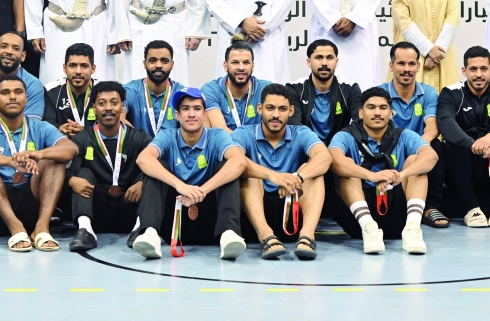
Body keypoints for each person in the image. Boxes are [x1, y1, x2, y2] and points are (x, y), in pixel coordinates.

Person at [0, 76, 77, 252]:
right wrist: (9, 161)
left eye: (18, 92)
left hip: (30, 207)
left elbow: (71, 148)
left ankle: (42, 228)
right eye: (5, 93)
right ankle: (15, 227)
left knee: (54, 161)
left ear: (26, 98)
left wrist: (39, 154)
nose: (13, 97)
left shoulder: (40, 127)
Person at [131, 87, 248, 260]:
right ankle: (150, 234)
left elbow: (239, 162)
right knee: (156, 167)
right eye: (185, 109)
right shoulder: (167, 135)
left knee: (227, 167)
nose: (191, 114)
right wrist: (181, 186)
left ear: (205, 115)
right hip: (174, 220)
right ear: (177, 116)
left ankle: (228, 235)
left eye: (197, 108)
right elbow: (143, 159)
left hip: (211, 219)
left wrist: (203, 191)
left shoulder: (217, 135)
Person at [329, 87, 436, 255]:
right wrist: (371, 175)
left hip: (397, 214)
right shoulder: (346, 135)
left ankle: (413, 229)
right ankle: (369, 228)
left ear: (391, 113)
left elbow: (431, 156)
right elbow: (333, 159)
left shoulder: (404, 134)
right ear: (361, 113)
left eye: (383, 108)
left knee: (415, 161)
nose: (377, 112)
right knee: (345, 165)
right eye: (371, 107)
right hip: (359, 221)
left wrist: (401, 175)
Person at [232, 84, 331, 260]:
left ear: (291, 111)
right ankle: (266, 236)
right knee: (246, 171)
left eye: (282, 109)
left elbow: (325, 157)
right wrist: (273, 176)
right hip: (254, 217)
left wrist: (296, 178)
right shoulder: (244, 133)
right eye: (270, 108)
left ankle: (307, 237)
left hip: (292, 214)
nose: (276, 115)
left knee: (314, 173)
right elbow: (233, 160)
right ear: (260, 109)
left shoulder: (301, 132)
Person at [437, 46, 490, 228]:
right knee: (449, 145)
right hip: (464, 166)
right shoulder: (450, 93)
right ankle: (471, 208)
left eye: (484, 69)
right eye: (473, 69)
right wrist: (473, 144)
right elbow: (445, 123)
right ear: (464, 71)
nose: (478, 74)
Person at [65, 81, 153, 252]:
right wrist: (70, 180)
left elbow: (160, 165)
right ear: (94, 108)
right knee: (82, 173)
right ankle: (85, 230)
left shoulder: (139, 138)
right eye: (102, 103)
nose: (108, 108)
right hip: (96, 211)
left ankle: (140, 229)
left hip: (129, 206)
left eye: (114, 102)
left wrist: (143, 182)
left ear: (122, 107)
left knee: (152, 174)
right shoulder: (82, 138)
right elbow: (66, 171)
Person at [380, 42, 448, 229]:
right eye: (401, 64)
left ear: (419, 66)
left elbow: (432, 128)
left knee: (436, 147)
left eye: (412, 64)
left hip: (417, 151)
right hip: (388, 151)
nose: (407, 69)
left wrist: (417, 147)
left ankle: (430, 207)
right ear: (391, 66)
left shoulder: (429, 93)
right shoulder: (379, 93)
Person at [286, 40, 361, 145]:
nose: (324, 63)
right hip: (305, 148)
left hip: (340, 148)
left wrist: (338, 143)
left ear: (336, 62)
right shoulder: (294, 88)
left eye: (329, 58)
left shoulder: (350, 88)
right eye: (319, 57)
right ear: (308, 62)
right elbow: (293, 122)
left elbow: (359, 121)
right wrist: (316, 147)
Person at [202, 42, 272, 133]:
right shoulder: (211, 89)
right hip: (224, 145)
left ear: (252, 66)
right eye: (235, 62)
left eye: (246, 63)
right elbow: (219, 128)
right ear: (225, 66)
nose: (241, 67)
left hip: (258, 145)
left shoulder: (266, 89)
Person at [122, 40, 186, 136]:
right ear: (144, 64)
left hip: (171, 149)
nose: (158, 65)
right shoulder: (129, 90)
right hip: (140, 148)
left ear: (172, 65)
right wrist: (141, 140)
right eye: (153, 60)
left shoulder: (182, 93)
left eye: (164, 61)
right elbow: (119, 119)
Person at [43, 43, 100, 135]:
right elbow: (46, 123)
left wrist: (84, 132)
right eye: (72, 65)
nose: (78, 71)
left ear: (93, 69)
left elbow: (110, 127)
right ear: (64, 68)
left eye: (84, 66)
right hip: (61, 143)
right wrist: (59, 128)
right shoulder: (50, 90)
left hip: (95, 144)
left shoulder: (103, 92)